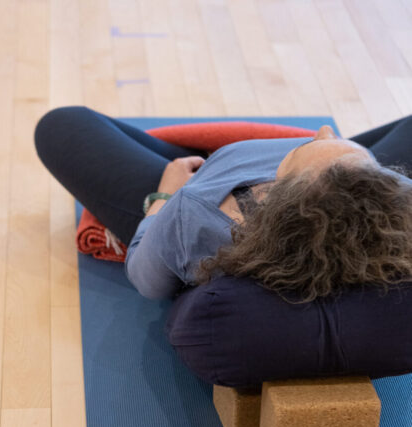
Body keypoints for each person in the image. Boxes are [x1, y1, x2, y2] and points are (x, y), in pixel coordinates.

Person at [33, 106, 412, 303]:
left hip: (195, 178)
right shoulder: (391, 199)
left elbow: (145, 278)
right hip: (234, 170)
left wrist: (164, 195)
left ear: (275, 195)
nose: (322, 130)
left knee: (63, 125)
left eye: (310, 145)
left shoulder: (195, 215)